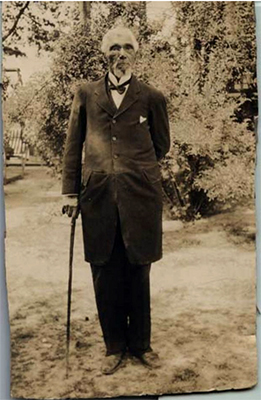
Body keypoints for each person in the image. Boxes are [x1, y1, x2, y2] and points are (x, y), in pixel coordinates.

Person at [62, 26, 170, 375]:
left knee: (139, 269)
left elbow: (162, 145)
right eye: (113, 48)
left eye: (126, 47)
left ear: (135, 53)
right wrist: (71, 191)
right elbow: (72, 146)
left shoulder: (152, 97)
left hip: (141, 195)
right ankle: (113, 347)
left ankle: (141, 345)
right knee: (104, 271)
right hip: (97, 198)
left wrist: (134, 169)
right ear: (104, 54)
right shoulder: (86, 94)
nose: (120, 53)